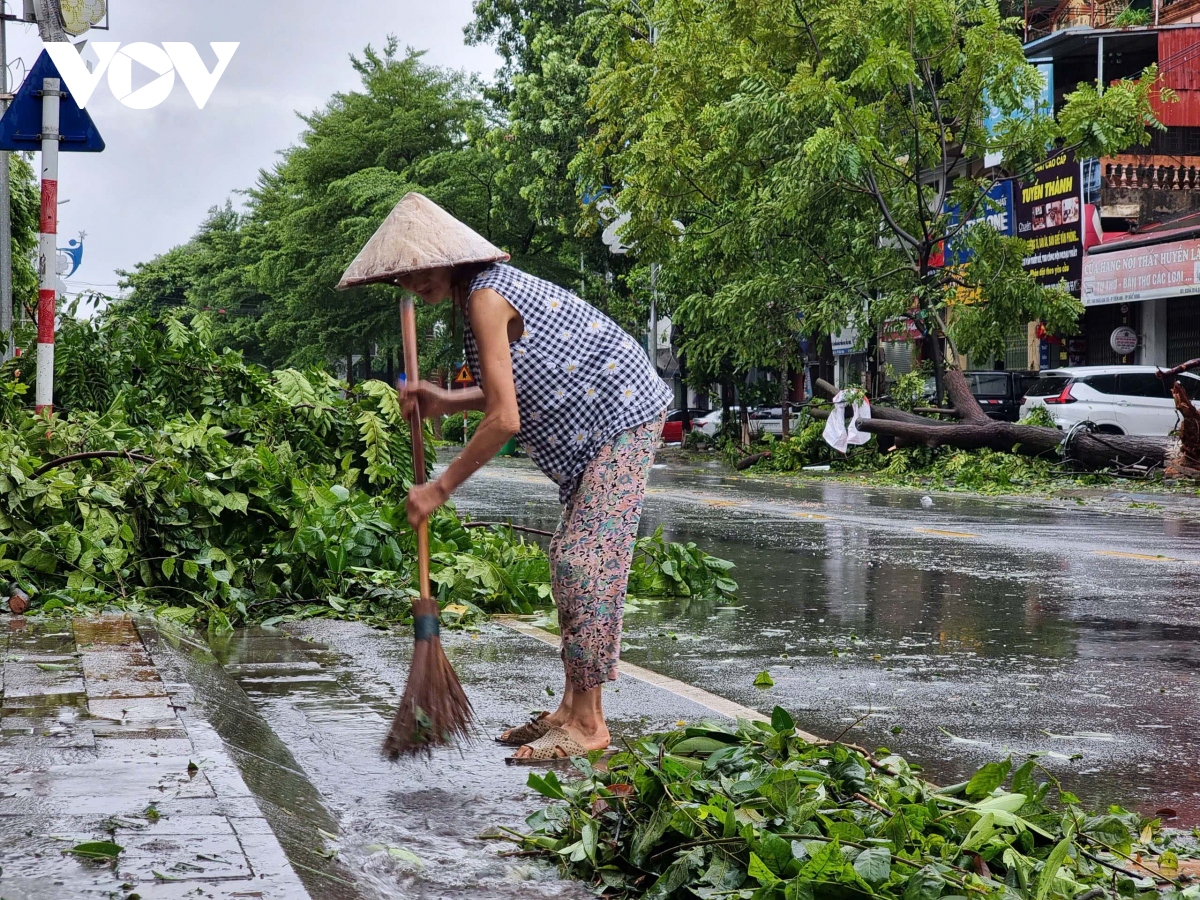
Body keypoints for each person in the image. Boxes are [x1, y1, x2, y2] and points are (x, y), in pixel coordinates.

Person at [339, 193, 673, 761]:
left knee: (582, 561)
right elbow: (511, 391)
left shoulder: (488, 297)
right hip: (591, 428)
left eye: (420, 269)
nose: (413, 284)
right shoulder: (476, 298)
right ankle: (570, 709)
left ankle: (590, 723)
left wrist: (438, 488)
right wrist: (445, 400)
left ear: (449, 256)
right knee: (569, 556)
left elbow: (505, 419)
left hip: (621, 416)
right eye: (401, 277)